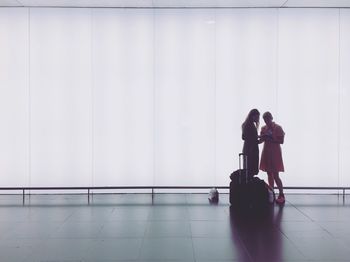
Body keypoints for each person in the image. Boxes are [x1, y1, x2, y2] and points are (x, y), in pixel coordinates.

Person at [259, 111, 285, 204]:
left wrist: (271, 138)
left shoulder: (278, 128)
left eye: (267, 119)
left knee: (276, 175)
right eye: (265, 119)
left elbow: (281, 141)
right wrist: (259, 138)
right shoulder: (263, 128)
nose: (266, 121)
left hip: (275, 153)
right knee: (269, 174)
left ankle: (281, 194)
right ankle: (272, 192)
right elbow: (261, 140)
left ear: (271, 118)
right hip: (266, 152)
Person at [242, 109, 260, 177]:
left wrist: (258, 137)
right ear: (252, 116)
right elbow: (245, 137)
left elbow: (249, 137)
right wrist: (259, 139)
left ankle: (248, 186)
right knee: (250, 169)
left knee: (248, 170)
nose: (258, 119)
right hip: (250, 150)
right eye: (257, 117)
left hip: (249, 149)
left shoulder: (248, 124)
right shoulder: (249, 125)